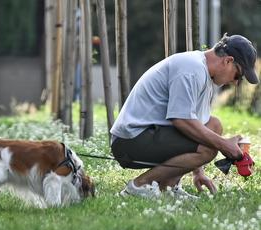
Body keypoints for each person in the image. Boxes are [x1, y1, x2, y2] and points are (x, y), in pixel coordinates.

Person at [110, 33, 259, 199]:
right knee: (210, 149)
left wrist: (198, 172)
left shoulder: (204, 74)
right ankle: (139, 186)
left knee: (214, 125)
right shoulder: (191, 69)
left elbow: (199, 127)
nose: (236, 82)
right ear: (228, 61)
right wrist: (224, 145)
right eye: (238, 75)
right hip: (129, 140)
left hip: (150, 134)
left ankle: (168, 187)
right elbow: (181, 120)